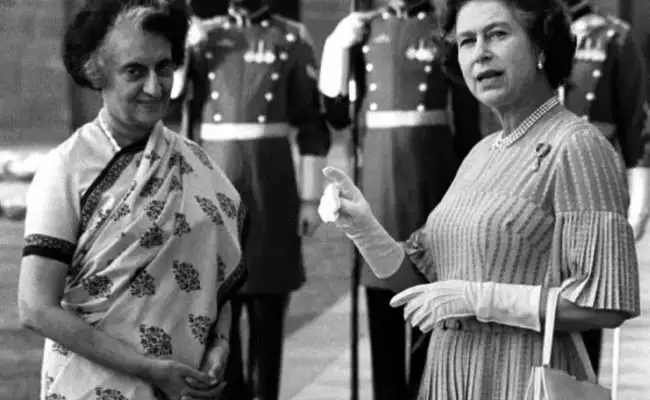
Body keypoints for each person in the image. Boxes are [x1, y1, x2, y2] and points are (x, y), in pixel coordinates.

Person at [319, 0, 641, 398]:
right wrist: (364, 228)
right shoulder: (481, 153)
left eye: (498, 34)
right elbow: (424, 278)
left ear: (541, 46)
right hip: (449, 378)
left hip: (519, 379)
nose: (480, 53)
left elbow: (605, 304)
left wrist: (478, 299)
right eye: (467, 41)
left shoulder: (577, 145)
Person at [17, 1, 247, 399]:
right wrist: (149, 369)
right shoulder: (67, 169)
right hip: (93, 385)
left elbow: (216, 271)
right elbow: (35, 307)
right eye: (134, 71)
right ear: (97, 72)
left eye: (165, 67)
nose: (155, 87)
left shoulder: (196, 163)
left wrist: (220, 345)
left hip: (187, 386)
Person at [318, 1, 482, 398]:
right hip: (379, 186)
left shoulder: (445, 28)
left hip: (433, 183)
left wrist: (471, 192)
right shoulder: (364, 31)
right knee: (383, 309)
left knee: (432, 312)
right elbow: (338, 114)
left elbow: (467, 124)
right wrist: (337, 49)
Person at [171, 1, 331, 399]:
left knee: (268, 310)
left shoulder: (290, 38)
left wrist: (311, 198)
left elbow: (311, 122)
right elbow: (170, 102)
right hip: (210, 192)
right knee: (216, 312)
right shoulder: (203, 39)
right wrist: (180, 50)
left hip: (270, 191)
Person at [559, 0, 650, 374]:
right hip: (535, 182)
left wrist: (639, 202)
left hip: (592, 185)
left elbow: (636, 126)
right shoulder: (524, 30)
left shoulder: (614, 38)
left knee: (585, 304)